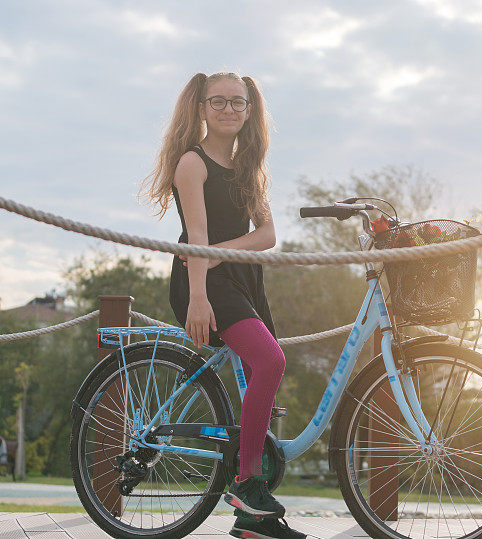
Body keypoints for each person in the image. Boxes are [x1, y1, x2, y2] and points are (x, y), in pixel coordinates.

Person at [141, 72, 305, 539]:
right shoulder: (192, 163)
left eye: (239, 102)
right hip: (203, 281)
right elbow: (196, 240)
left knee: (264, 374)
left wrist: (224, 251)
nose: (229, 109)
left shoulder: (250, 166)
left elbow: (268, 235)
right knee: (272, 360)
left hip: (241, 275)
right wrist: (197, 297)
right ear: (202, 107)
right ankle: (246, 483)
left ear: (251, 110)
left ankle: (250, 521)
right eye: (219, 101)